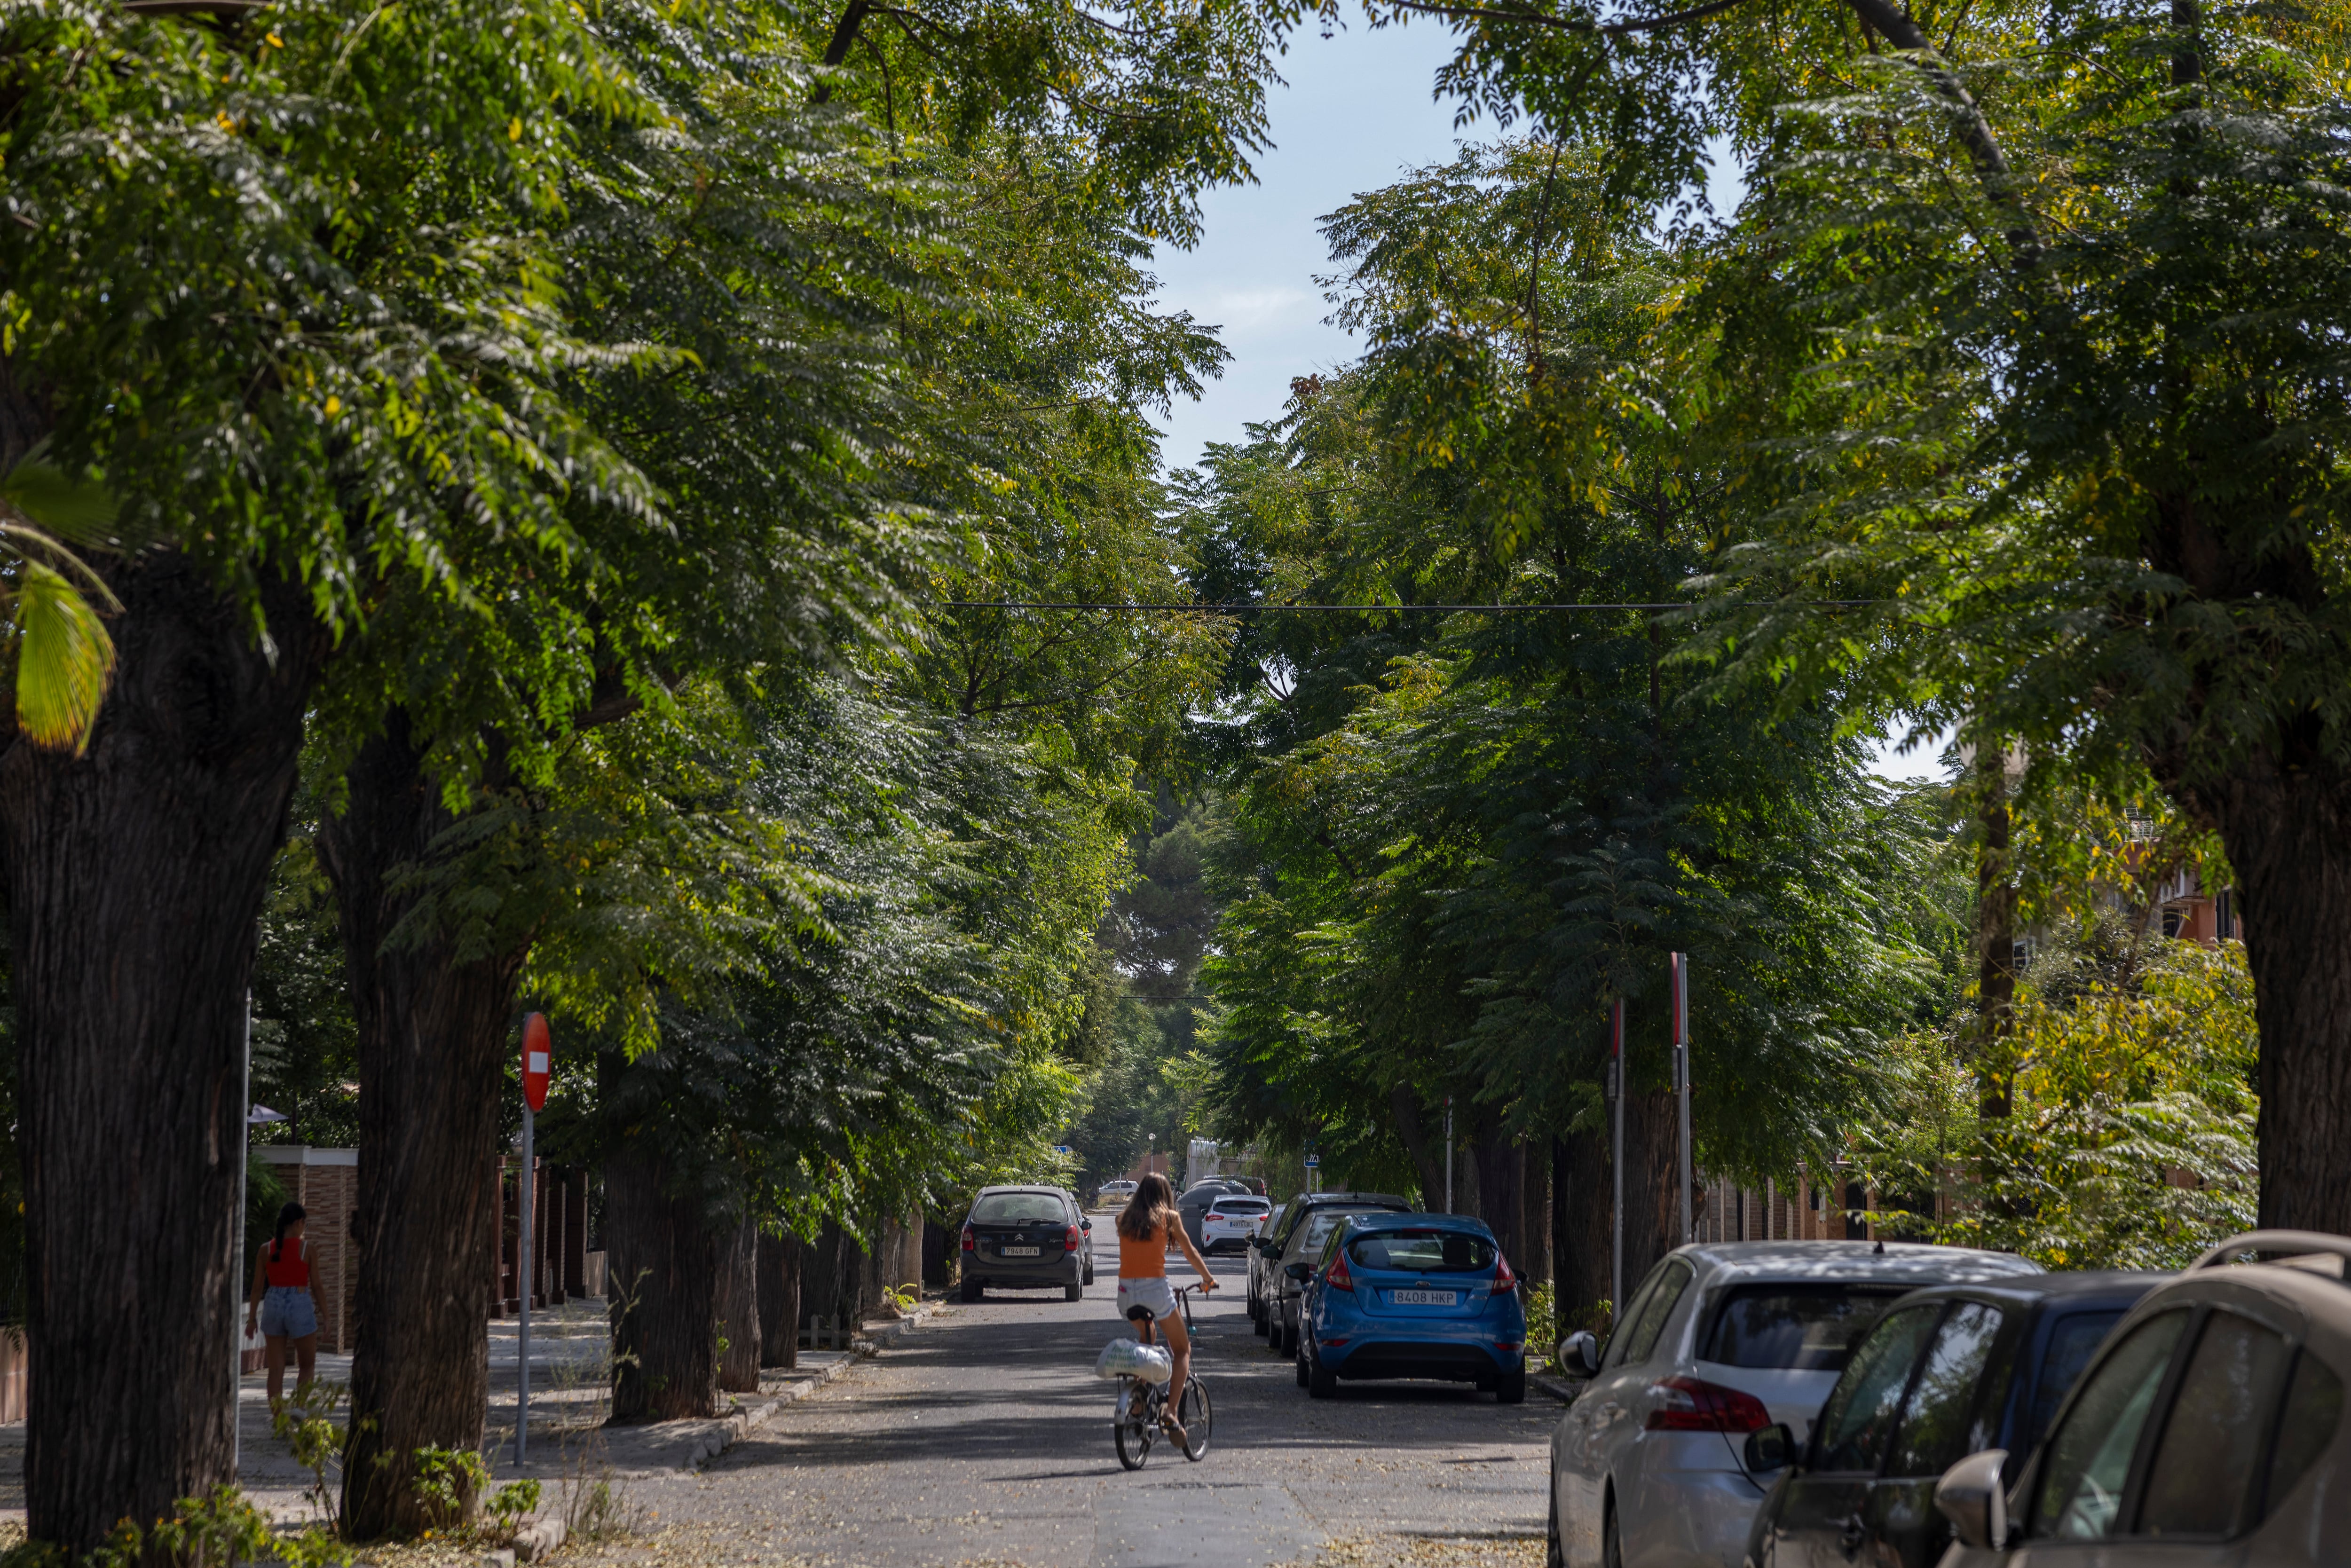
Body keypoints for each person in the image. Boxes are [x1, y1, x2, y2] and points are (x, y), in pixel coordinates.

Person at [1114, 1172, 1215, 1442]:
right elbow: (1191, 1252)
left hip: (1125, 1295)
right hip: (1155, 1292)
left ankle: (1139, 1397)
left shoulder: (1123, 1220)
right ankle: (1170, 1412)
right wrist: (1208, 1279)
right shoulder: (1169, 1218)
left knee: (1147, 1338)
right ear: (1165, 1195)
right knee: (1182, 1349)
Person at [245, 1201, 328, 1410]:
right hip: (299, 1302)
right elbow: (317, 1286)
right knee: (307, 1364)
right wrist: (327, 1316)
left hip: (273, 1302)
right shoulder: (307, 1249)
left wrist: (251, 1318)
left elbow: (256, 1288)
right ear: (300, 1222)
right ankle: (299, 1410)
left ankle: (278, 1421)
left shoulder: (265, 1250)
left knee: (276, 1369)